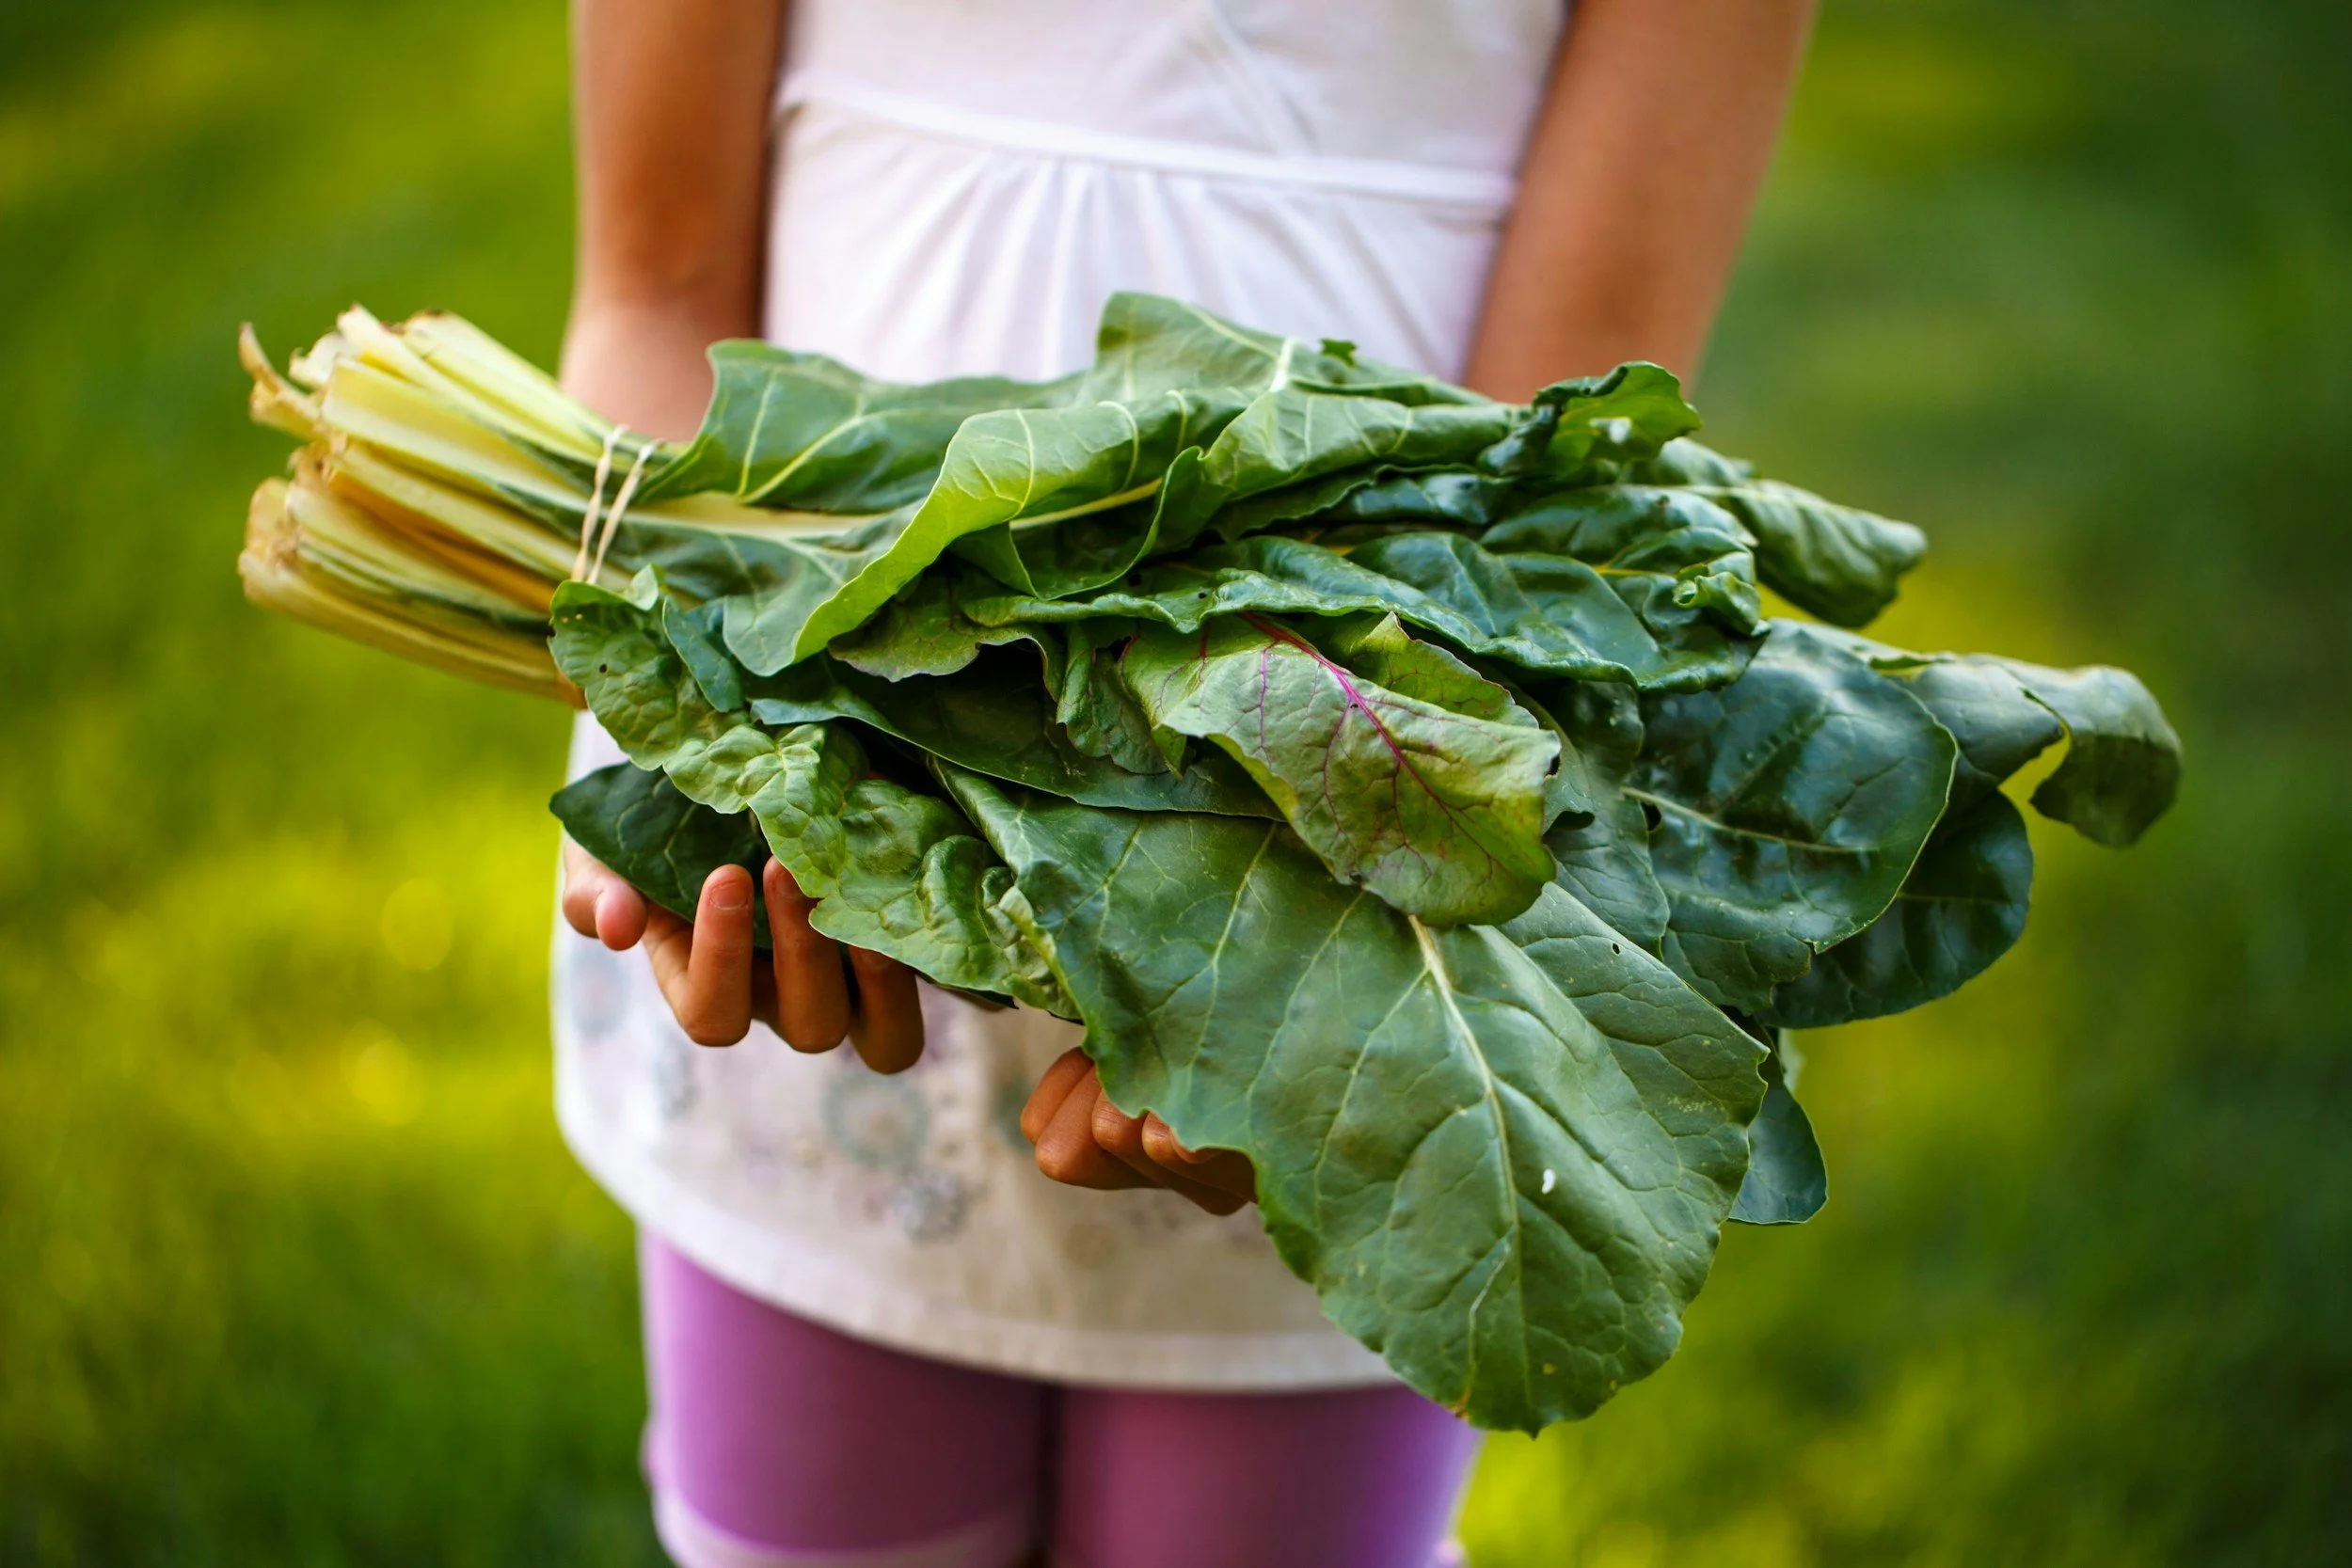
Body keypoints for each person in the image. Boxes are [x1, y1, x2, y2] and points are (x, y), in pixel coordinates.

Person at [552, 3, 1814, 1563]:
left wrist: (1329, 1025)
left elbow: (1541, 504)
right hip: (821, 871)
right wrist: (693, 720)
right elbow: (655, 285)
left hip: (1342, 906)